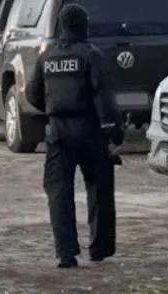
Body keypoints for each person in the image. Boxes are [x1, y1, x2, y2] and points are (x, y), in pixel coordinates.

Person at [26, 2, 122, 269]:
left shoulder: (47, 56)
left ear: (62, 26)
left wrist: (53, 109)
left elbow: (32, 94)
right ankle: (99, 249)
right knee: (99, 189)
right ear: (83, 26)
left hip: (57, 133)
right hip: (90, 131)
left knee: (59, 192)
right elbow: (104, 98)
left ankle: (65, 253)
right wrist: (115, 134)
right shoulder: (91, 55)